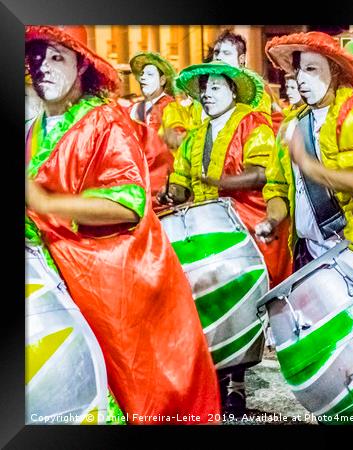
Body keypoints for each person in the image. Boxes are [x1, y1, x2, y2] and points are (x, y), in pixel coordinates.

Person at [24, 25, 220, 424]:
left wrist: (47, 203)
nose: (43, 66)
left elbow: (130, 202)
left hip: (111, 283)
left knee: (133, 396)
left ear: (82, 66)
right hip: (53, 275)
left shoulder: (105, 123)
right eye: (36, 56)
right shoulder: (32, 129)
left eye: (57, 56)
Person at [162, 60, 292, 416]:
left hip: (245, 230)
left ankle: (236, 387)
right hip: (204, 236)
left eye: (216, 87)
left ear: (233, 91)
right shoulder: (194, 135)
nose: (207, 93)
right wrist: (170, 192)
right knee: (205, 308)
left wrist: (218, 184)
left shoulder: (254, 124)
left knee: (239, 311)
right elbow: (181, 180)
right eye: (204, 87)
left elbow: (263, 172)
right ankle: (214, 385)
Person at [257, 31, 353, 273]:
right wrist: (272, 220)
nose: (300, 79)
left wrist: (309, 166)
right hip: (308, 253)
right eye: (298, 70)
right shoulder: (291, 124)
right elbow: (277, 187)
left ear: (335, 70)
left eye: (311, 69)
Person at [127, 52, 179, 205]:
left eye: (149, 74)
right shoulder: (135, 107)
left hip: (161, 186)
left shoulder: (170, 107)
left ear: (163, 80)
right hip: (140, 181)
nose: (142, 78)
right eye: (142, 74)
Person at [209, 30, 283, 129]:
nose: (219, 57)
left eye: (226, 53)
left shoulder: (257, 88)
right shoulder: (207, 85)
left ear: (241, 59)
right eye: (216, 53)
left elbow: (265, 126)